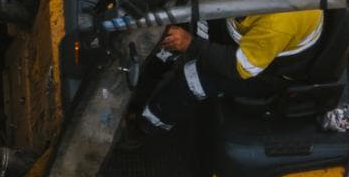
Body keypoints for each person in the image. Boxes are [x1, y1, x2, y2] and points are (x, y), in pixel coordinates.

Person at [138, 9, 325, 134]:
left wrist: (191, 44)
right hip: (245, 32)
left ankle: (148, 123)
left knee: (194, 77)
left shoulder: (280, 21)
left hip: (264, 71)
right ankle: (149, 75)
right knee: (188, 19)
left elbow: (239, 67)